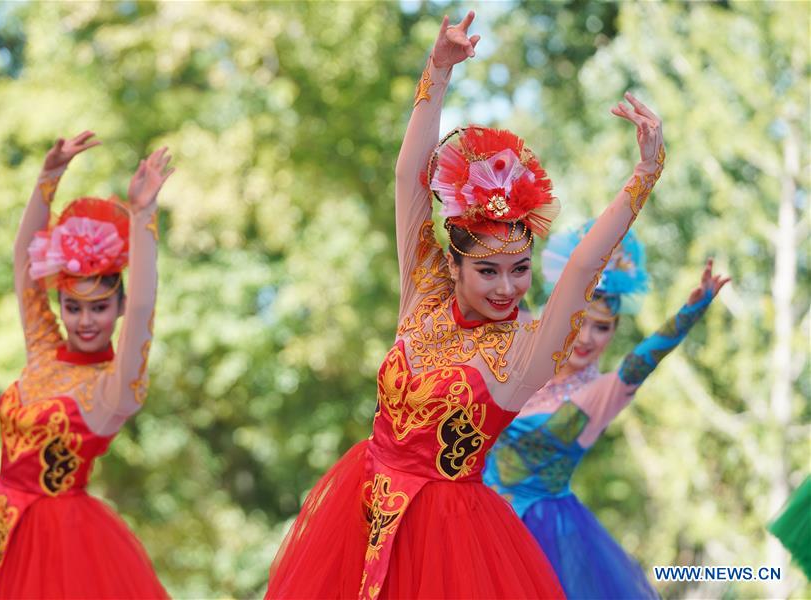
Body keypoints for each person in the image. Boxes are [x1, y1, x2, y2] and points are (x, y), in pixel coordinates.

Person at [267, 10, 666, 599]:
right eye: (487, 270)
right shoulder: (422, 293)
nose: (507, 287)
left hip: (448, 551)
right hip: (358, 515)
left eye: (520, 269)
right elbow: (410, 178)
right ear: (451, 265)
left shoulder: (523, 349)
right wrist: (438, 72)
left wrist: (645, 174)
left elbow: (582, 265)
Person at [0, 133, 172, 599]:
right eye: (73, 307)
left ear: (118, 308)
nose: (85, 320)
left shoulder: (114, 389)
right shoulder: (45, 350)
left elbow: (142, 311)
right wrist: (48, 176)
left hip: (59, 546)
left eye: (99, 307)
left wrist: (143, 216)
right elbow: (22, 264)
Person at [483, 220, 729, 599]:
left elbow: (641, 361)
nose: (586, 338)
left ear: (613, 333)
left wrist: (688, 314)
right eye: (580, 322)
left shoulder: (600, 395)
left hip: (541, 534)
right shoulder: (520, 347)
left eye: (602, 328)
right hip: (473, 514)